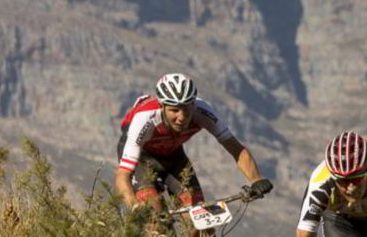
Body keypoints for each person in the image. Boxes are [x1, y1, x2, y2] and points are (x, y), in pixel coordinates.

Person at [113, 72, 271, 211]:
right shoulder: (145, 118)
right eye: (174, 110)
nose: (181, 117)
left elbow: (237, 149)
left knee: (199, 219)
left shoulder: (203, 112)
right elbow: (122, 175)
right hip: (142, 158)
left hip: (173, 154)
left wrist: (256, 180)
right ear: (162, 106)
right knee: (154, 216)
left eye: (186, 109)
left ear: (194, 104)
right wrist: (134, 207)